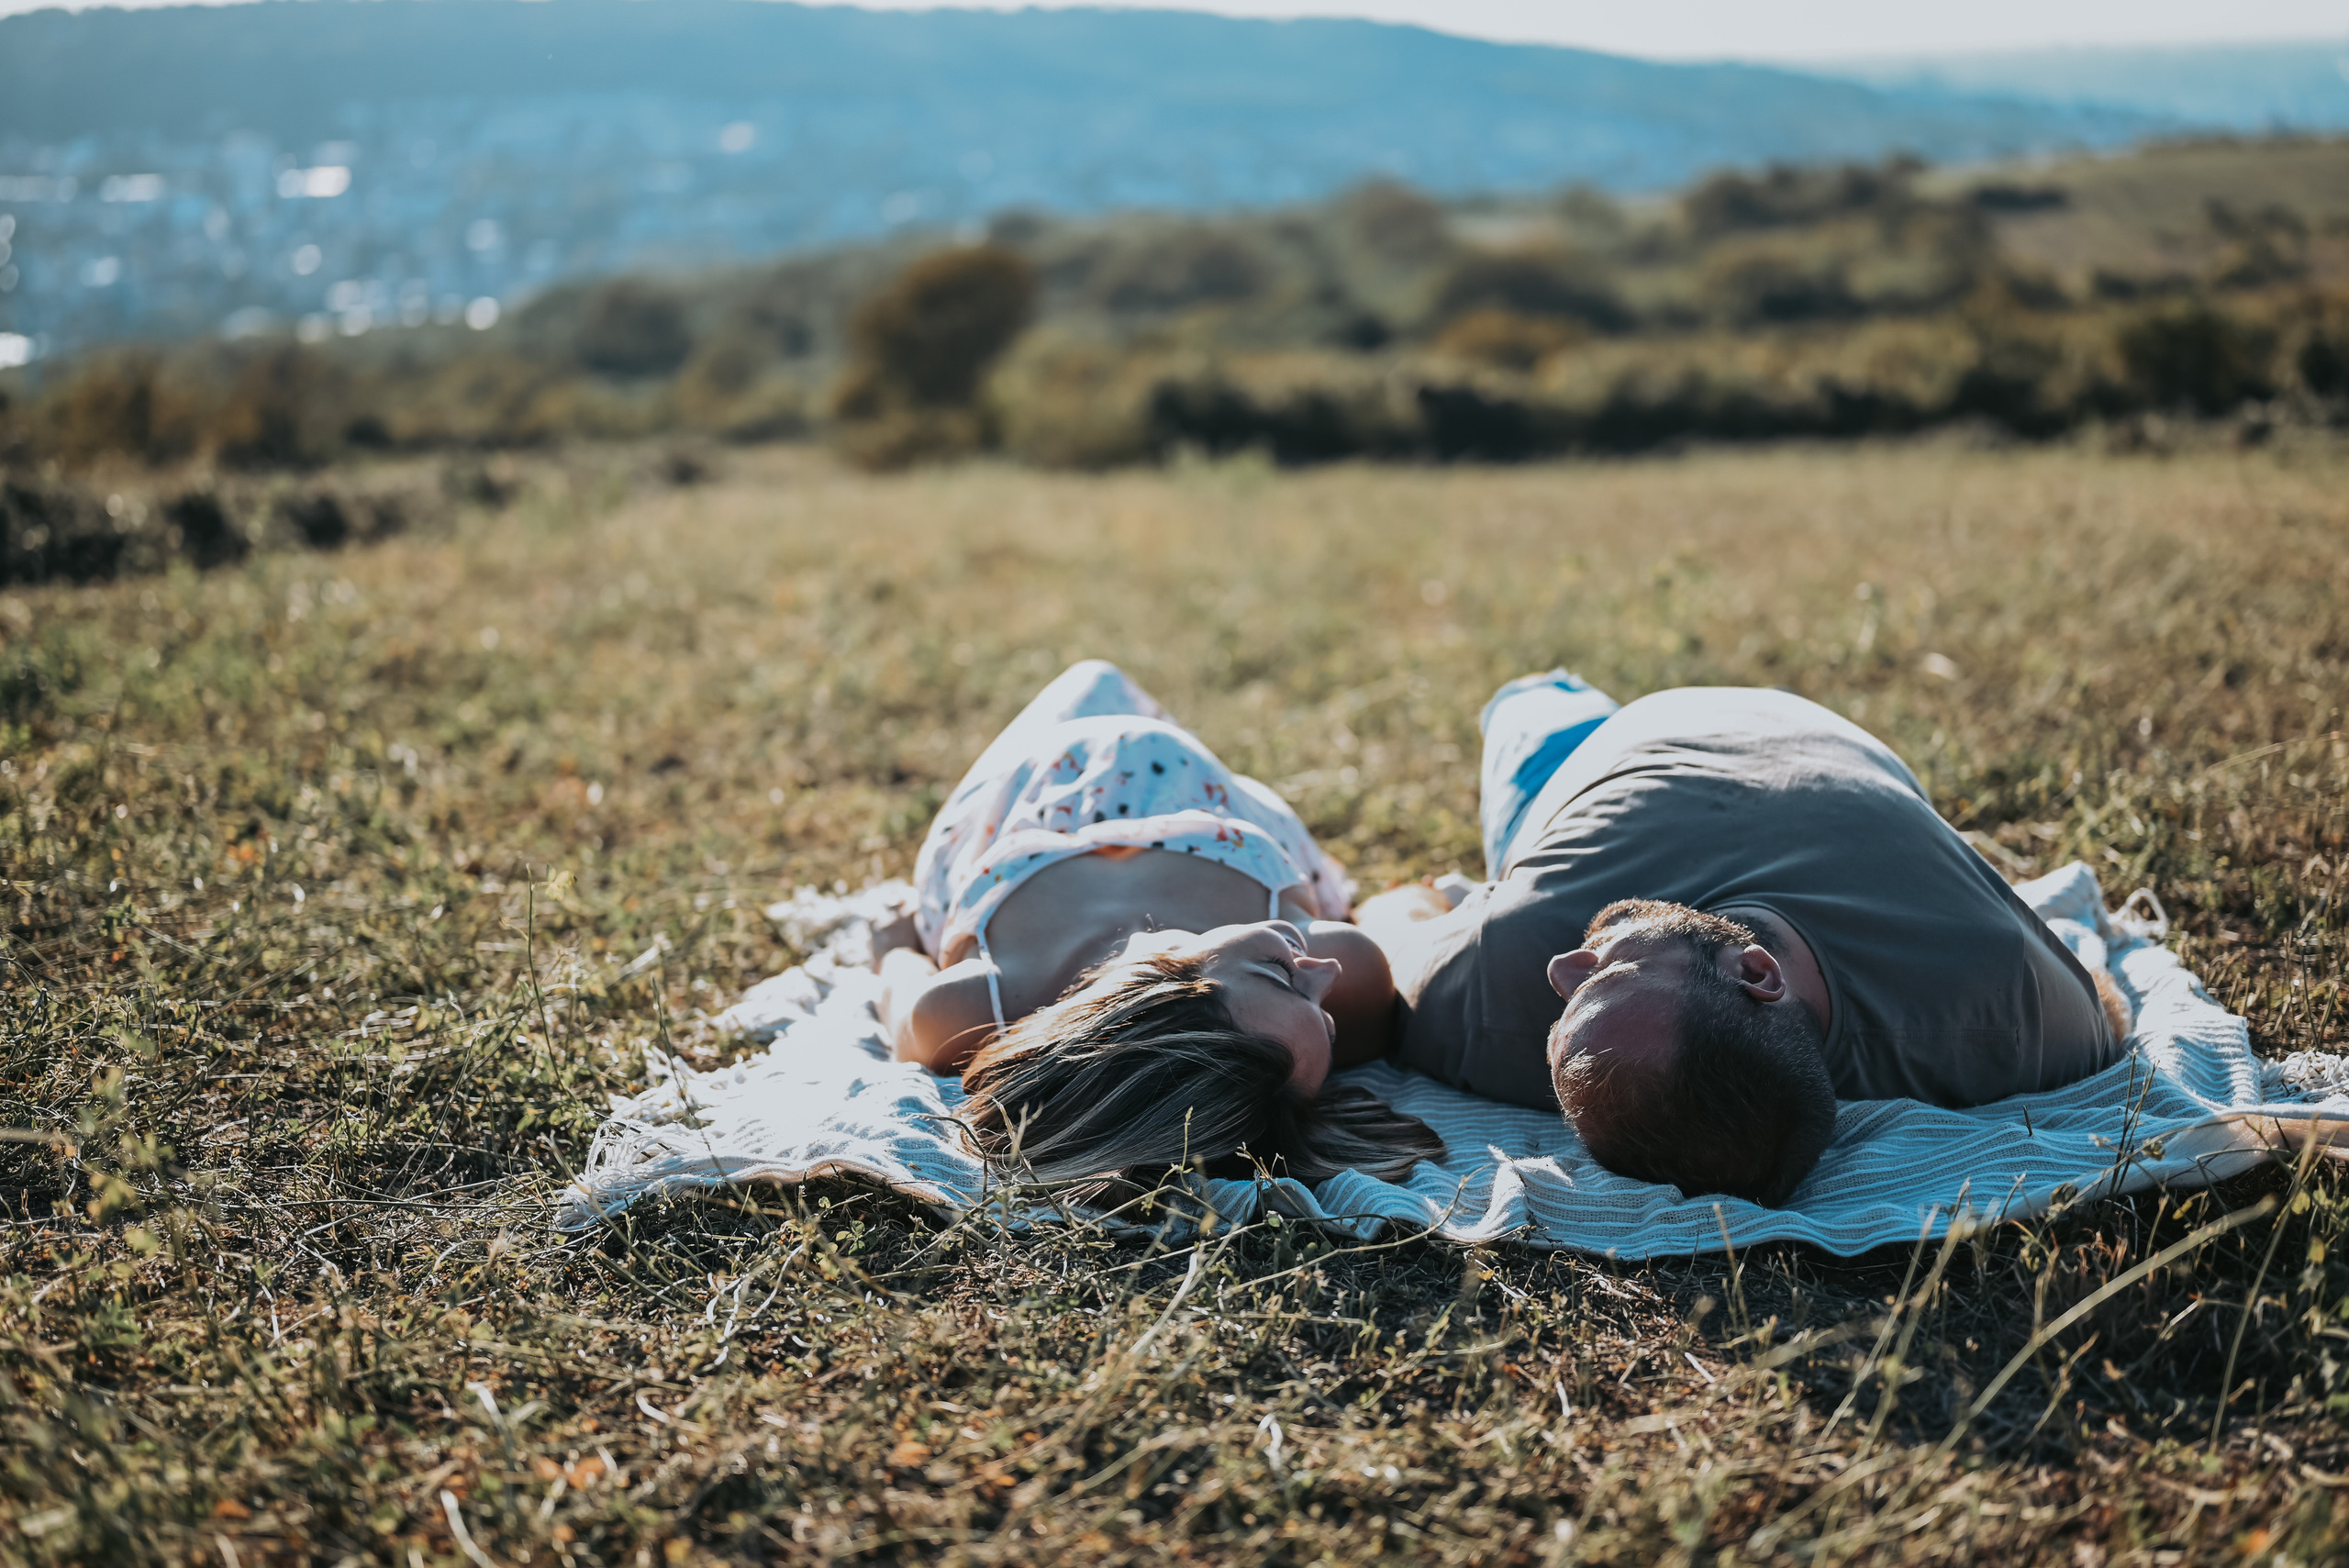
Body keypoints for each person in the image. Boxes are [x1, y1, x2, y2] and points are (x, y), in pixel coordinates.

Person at [1364, 673, 2132, 1208]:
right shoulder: (2003, 1007)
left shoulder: (1511, 962)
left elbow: (1386, 922)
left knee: (1530, 703)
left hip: (1572, 769)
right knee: (1541, 697)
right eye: (1603, 976)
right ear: (1757, 973)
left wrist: (1452, 914)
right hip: (1757, 740)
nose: (1561, 966)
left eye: (1564, 1008)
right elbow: (2103, 1009)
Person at [874, 659, 1444, 1195]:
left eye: (1278, 973)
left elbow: (903, 1001)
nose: (1326, 975)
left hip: (1025, 793)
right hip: (1192, 784)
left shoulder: (972, 1006)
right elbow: (1381, 929)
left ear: (1153, 982)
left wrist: (892, 950)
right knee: (1096, 678)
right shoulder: (1341, 965)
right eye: (1330, 1023)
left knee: (1092, 678)